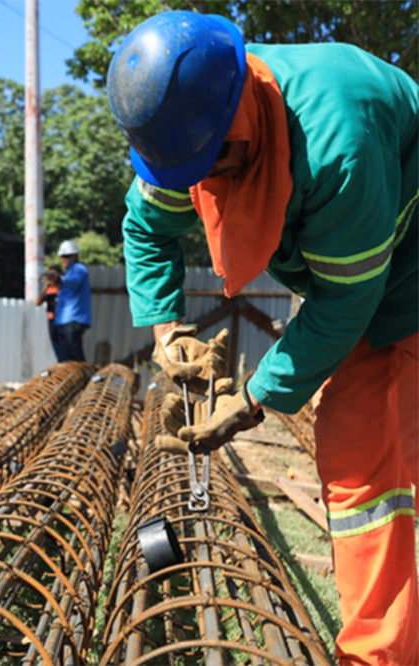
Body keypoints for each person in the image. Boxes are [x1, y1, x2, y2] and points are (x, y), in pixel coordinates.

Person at [108, 11, 417, 664]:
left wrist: (253, 399)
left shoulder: (338, 141)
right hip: (360, 278)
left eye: (208, 170)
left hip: (408, 276)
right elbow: (146, 227)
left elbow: (343, 305)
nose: (202, 187)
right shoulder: (192, 130)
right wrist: (169, 330)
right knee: (372, 459)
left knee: (388, 457)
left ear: (236, 128)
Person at [53, 240, 91, 363]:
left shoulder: (79, 269)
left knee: (74, 355)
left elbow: (74, 282)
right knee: (64, 357)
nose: (64, 260)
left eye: (67, 256)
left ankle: (86, 376)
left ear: (75, 256)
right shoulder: (68, 272)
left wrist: (58, 278)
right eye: (62, 257)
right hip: (63, 320)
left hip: (74, 319)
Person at [35, 266, 62, 360]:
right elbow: (37, 302)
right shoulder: (48, 289)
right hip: (51, 319)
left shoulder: (62, 287)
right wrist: (45, 287)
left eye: (53, 274)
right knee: (55, 345)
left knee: (64, 345)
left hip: (62, 320)